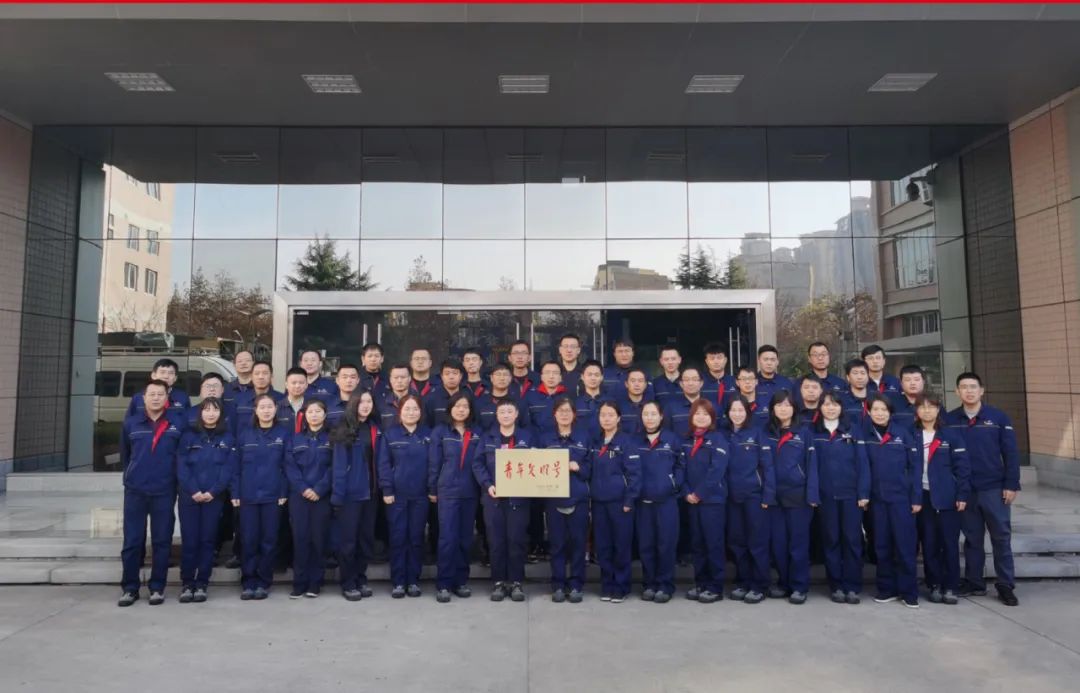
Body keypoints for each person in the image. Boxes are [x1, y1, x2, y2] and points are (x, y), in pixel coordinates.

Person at [946, 372, 1021, 606]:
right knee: (972, 539)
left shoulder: (998, 417)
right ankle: (974, 582)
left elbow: (1011, 453)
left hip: (994, 488)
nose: (969, 391)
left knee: (1001, 538)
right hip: (965, 490)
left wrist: (1011, 483)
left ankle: (1005, 585)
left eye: (973, 387)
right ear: (957, 391)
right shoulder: (949, 419)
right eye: (964, 387)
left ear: (981, 390)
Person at [117, 380, 184, 607]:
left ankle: (157, 587)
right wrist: (130, 477)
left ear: (167, 399)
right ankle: (129, 588)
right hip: (135, 491)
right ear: (143, 398)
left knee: (162, 540)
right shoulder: (131, 424)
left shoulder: (176, 424)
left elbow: (181, 457)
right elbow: (126, 456)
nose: (156, 398)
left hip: (164, 490)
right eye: (152, 394)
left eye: (160, 394)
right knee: (132, 541)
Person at [863, 393, 922, 608]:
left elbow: (915, 468)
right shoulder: (864, 435)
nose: (880, 413)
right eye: (875, 409)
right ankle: (886, 588)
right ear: (868, 412)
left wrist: (916, 497)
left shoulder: (903, 434)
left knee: (905, 546)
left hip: (901, 499)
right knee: (881, 545)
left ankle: (909, 591)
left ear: (890, 412)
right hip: (877, 500)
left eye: (884, 410)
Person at [176, 397, 236, 604]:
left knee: (208, 540)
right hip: (189, 497)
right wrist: (193, 490)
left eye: (215, 410)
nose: (211, 413)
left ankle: (202, 582)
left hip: (214, 497)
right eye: (207, 409)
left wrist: (213, 491)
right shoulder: (188, 436)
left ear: (221, 414)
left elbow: (228, 468)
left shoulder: (228, 438)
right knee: (190, 540)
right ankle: (187, 583)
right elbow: (182, 467)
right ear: (200, 412)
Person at [812, 391, 870, 605]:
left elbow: (863, 463)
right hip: (825, 497)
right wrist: (813, 494)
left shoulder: (853, 430)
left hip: (851, 496)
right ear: (820, 407)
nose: (830, 408)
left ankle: (852, 586)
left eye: (835, 404)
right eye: (826, 404)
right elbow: (811, 467)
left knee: (852, 540)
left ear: (841, 408)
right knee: (831, 540)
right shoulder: (813, 432)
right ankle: (836, 585)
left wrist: (863, 492)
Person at [475, 399, 534, 602]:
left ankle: (516, 582)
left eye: (510, 411)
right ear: (497, 415)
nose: (506, 415)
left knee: (516, 540)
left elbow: (538, 463)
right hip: (494, 498)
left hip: (519, 498)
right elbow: (478, 464)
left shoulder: (527, 437)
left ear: (516, 414)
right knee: (496, 541)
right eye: (502, 412)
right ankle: (498, 582)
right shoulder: (487, 437)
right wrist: (487, 484)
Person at [232, 392, 289, 600]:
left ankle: (264, 581)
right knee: (249, 540)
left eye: (270, 407)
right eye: (262, 407)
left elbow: (287, 466)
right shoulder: (245, 434)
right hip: (248, 495)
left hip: (273, 496)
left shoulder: (283, 434)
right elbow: (235, 467)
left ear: (276, 409)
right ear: (255, 410)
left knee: (269, 540)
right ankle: (248, 581)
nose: (266, 411)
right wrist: (235, 492)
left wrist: (283, 491)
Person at [915, 393, 971, 605]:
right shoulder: (912, 435)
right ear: (917, 411)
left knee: (949, 544)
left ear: (938, 410)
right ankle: (934, 584)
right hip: (923, 497)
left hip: (948, 497)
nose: (927, 411)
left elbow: (963, 468)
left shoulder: (950, 435)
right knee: (929, 543)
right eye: (922, 407)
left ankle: (951, 586)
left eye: (931, 406)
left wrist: (962, 494)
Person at [764, 390, 818, 605]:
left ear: (794, 408)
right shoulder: (765, 432)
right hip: (773, 497)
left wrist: (812, 494)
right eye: (779, 405)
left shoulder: (804, 433)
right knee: (778, 544)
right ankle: (784, 583)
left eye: (787, 405)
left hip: (799, 496)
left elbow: (812, 465)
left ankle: (799, 586)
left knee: (798, 544)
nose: (783, 409)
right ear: (772, 409)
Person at [428, 393, 483, 603]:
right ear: (450, 409)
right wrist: (432, 488)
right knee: (447, 538)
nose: (461, 410)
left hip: (470, 491)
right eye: (457, 406)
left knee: (465, 538)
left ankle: (461, 581)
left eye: (465, 406)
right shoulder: (440, 432)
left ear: (470, 410)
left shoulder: (477, 432)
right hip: (447, 491)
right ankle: (444, 583)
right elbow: (434, 463)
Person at [376, 395, 431, 599]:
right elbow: (383, 464)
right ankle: (399, 581)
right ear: (399, 412)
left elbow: (434, 464)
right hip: (396, 496)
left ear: (421, 412)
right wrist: (387, 490)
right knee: (398, 538)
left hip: (421, 495)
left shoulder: (428, 435)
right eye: (407, 409)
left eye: (415, 409)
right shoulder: (390, 435)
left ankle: (413, 580)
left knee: (416, 538)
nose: (411, 412)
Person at [331, 390, 382, 601]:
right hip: (350, 495)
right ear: (353, 404)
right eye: (361, 402)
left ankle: (361, 578)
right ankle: (348, 582)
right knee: (348, 542)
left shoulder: (375, 428)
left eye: (369, 401)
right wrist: (338, 496)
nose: (366, 405)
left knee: (365, 540)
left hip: (371, 494)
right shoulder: (344, 430)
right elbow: (339, 467)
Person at [590, 401, 641, 603]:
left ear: (618, 418)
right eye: (603, 415)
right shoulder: (596, 442)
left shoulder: (627, 442)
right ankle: (607, 585)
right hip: (599, 502)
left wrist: (629, 499)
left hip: (620, 503)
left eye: (611, 415)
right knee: (603, 546)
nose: (607, 419)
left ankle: (621, 586)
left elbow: (635, 474)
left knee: (621, 546)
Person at [724, 396, 773, 605]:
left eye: (741, 410)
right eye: (733, 410)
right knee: (737, 542)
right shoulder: (723, 435)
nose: (737, 414)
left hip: (755, 496)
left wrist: (768, 494)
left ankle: (759, 585)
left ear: (747, 413)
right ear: (727, 413)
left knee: (757, 542)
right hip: (731, 497)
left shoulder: (757, 434)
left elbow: (768, 466)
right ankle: (743, 582)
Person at [541, 397, 591, 604]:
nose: (564, 414)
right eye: (560, 411)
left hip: (578, 498)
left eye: (568, 411)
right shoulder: (545, 438)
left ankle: (576, 584)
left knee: (578, 544)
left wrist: (578, 467)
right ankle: (558, 585)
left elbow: (591, 468)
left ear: (574, 414)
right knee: (557, 545)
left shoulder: (584, 437)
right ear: (554, 414)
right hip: (554, 499)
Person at [635, 401, 684, 603]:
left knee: (666, 544)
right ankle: (649, 584)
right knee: (646, 545)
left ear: (661, 416)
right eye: (646, 414)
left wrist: (674, 485)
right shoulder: (634, 441)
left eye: (653, 414)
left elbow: (681, 466)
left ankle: (665, 585)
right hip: (643, 503)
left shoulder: (672, 440)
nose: (649, 418)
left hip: (666, 502)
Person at [681, 399, 729, 605]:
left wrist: (699, 493)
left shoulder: (718, 439)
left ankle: (715, 587)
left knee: (713, 544)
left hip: (712, 501)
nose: (701, 417)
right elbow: (680, 468)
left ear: (712, 418)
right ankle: (701, 583)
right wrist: (686, 492)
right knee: (698, 544)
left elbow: (716, 471)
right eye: (697, 413)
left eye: (705, 414)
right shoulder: (687, 440)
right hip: (692, 501)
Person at [285, 399, 332, 599]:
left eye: (318, 411)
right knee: (300, 539)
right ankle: (299, 582)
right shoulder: (295, 439)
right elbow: (290, 466)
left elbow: (335, 467)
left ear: (325, 415)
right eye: (310, 411)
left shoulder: (332, 438)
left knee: (318, 539)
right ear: (304, 416)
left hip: (322, 496)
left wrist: (319, 489)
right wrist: (303, 488)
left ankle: (315, 582)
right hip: (299, 497)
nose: (314, 415)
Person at [125, 358, 192, 420]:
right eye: (162, 372)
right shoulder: (138, 397)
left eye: (170, 373)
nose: (166, 376)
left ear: (175, 378)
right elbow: (129, 423)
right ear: (153, 375)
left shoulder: (183, 397)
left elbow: (188, 422)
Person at [232, 361, 283, 435]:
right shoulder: (239, 399)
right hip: (244, 441)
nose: (260, 377)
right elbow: (231, 427)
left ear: (271, 376)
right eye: (257, 373)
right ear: (251, 377)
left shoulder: (281, 399)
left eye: (265, 373)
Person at [476, 361, 528, 432]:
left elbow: (525, 427)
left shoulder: (519, 402)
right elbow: (476, 427)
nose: (502, 378)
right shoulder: (480, 402)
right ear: (491, 378)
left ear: (510, 378)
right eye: (498, 374)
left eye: (505, 375)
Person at [524, 360, 568, 435]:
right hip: (536, 440)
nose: (551, 376)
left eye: (555, 373)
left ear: (560, 377)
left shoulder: (567, 397)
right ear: (541, 377)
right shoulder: (530, 396)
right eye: (547, 373)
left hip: (560, 440)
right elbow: (525, 424)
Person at [424, 359, 471, 428]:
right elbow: (426, 424)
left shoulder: (468, 396)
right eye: (447, 373)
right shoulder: (431, 398)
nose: (451, 377)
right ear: (441, 376)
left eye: (455, 373)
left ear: (461, 376)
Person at [665, 366, 704, 440]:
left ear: (701, 383)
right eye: (686, 380)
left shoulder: (711, 406)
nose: (690, 383)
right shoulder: (671, 407)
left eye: (694, 379)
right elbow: (666, 433)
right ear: (681, 384)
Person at [888, 365, 927, 432]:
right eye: (908, 380)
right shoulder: (891, 403)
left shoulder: (933, 403)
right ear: (901, 383)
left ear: (923, 382)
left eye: (916, 380)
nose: (912, 383)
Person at [616, 367, 652, 436]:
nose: (637, 384)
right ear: (626, 384)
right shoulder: (618, 406)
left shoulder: (651, 406)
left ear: (645, 385)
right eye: (633, 381)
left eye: (640, 381)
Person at [573, 360, 605, 437]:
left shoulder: (610, 402)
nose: (593, 378)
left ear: (602, 377)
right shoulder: (574, 403)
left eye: (596, 375)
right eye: (589, 374)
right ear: (582, 377)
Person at [700, 343, 736, 411]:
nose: (716, 361)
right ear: (706, 361)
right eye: (712, 358)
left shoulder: (734, 381)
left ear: (725, 360)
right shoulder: (699, 381)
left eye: (719, 358)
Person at [377, 363, 414, 430]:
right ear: (390, 379)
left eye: (403, 377)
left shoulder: (418, 400)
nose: (399, 381)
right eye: (396, 377)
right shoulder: (381, 402)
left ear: (409, 378)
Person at [325, 363, 361, 429]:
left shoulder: (364, 404)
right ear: (337, 380)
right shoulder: (328, 405)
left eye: (353, 377)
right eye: (345, 377)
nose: (349, 380)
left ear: (358, 380)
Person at [276, 367, 311, 433]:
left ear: (306, 385)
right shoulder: (277, 407)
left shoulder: (312, 406)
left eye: (301, 383)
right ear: (286, 385)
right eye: (293, 383)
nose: (297, 386)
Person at [841, 358, 872, 433]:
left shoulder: (877, 398)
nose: (859, 377)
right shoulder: (840, 400)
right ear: (848, 377)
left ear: (868, 376)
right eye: (855, 373)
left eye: (863, 373)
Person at [651, 346, 683, 413]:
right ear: (661, 361)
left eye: (673, 359)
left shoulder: (687, 382)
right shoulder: (655, 383)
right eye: (666, 359)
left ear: (679, 360)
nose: (670, 362)